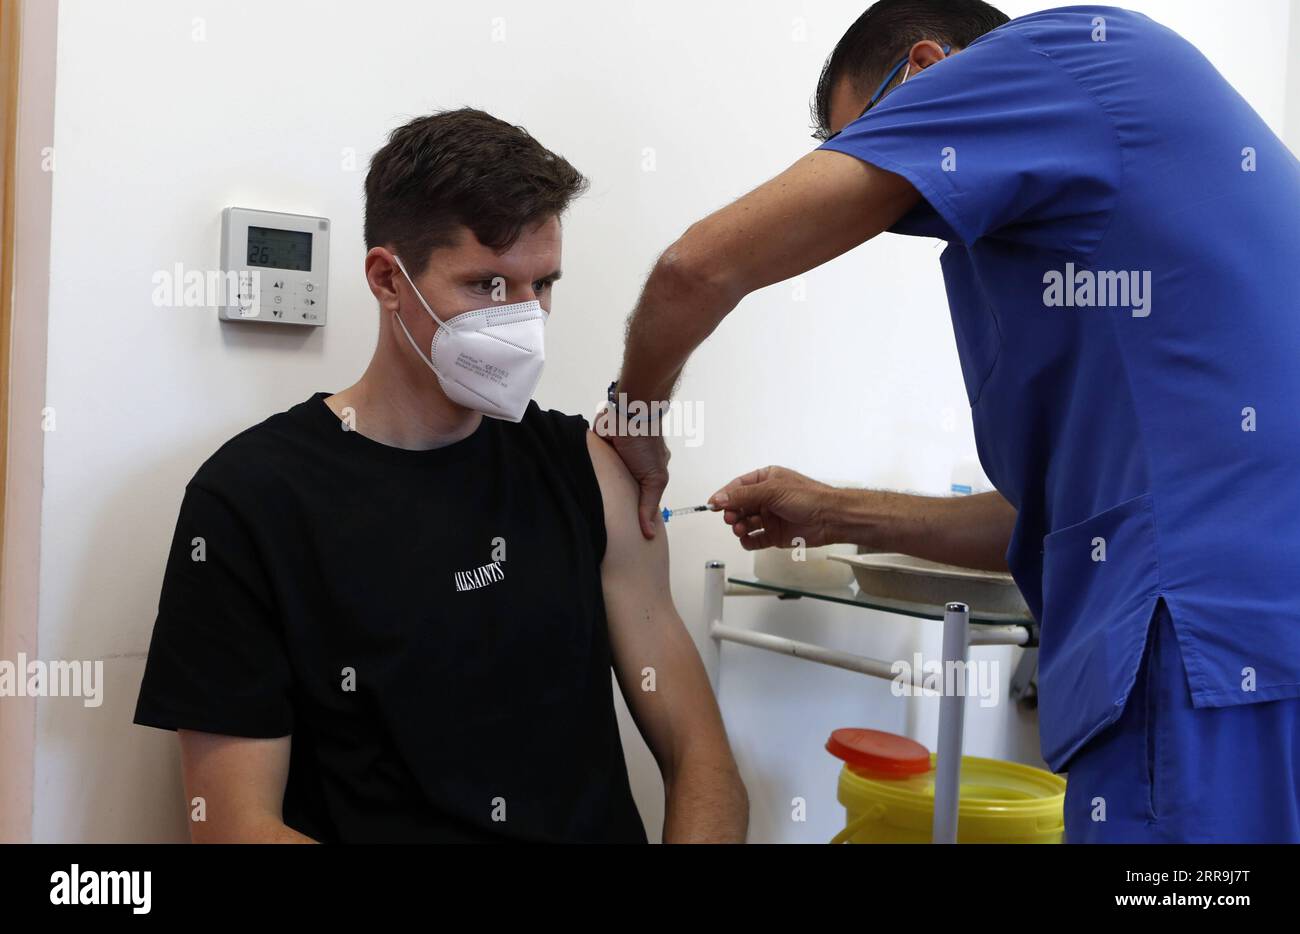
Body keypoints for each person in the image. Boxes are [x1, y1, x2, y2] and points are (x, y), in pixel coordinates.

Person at [602, 1, 1300, 842]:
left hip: (1207, 649)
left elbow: (694, 267)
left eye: (866, 144)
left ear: (930, 73)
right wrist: (833, 513)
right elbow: (1068, 523)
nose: (894, 210)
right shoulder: (1122, 160)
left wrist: (635, 411)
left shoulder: (1053, 55)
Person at [134, 108, 747, 843]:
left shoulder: (586, 469)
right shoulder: (249, 503)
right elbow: (234, 828)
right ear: (389, 280)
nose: (524, 320)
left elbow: (700, 756)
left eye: (541, 284)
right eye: (487, 285)